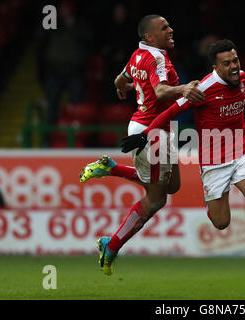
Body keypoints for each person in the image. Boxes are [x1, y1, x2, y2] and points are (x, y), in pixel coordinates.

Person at [120, 39, 245, 279]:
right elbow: (170, 112)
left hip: (242, 152)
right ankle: (211, 204)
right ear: (215, 67)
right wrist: (144, 136)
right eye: (227, 63)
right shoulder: (202, 88)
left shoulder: (243, 78)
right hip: (214, 162)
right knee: (221, 222)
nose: (234, 67)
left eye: (236, 60)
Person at [79, 14, 205, 275]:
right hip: (150, 132)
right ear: (149, 36)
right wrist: (183, 89)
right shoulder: (156, 58)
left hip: (158, 128)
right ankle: (110, 246)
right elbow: (160, 92)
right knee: (155, 200)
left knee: (173, 185)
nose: (170, 30)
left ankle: (111, 168)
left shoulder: (139, 54)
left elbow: (119, 80)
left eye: (169, 25)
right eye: (164, 28)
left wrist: (124, 88)